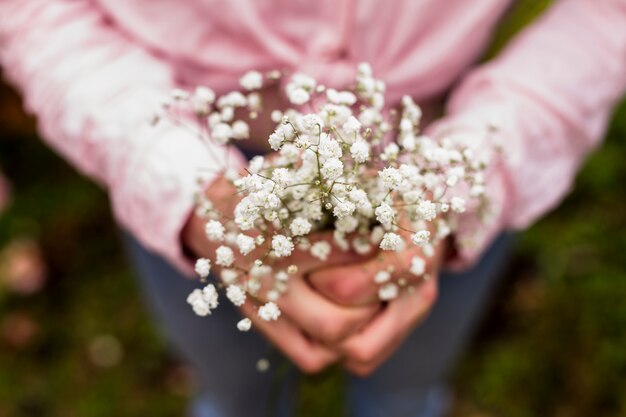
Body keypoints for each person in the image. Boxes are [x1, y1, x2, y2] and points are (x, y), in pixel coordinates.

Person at [1, 1, 625, 416]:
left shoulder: (459, 172)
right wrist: (175, 179)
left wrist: (480, 160)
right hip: (185, 145)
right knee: (233, 378)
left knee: (405, 378)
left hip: (441, 153)